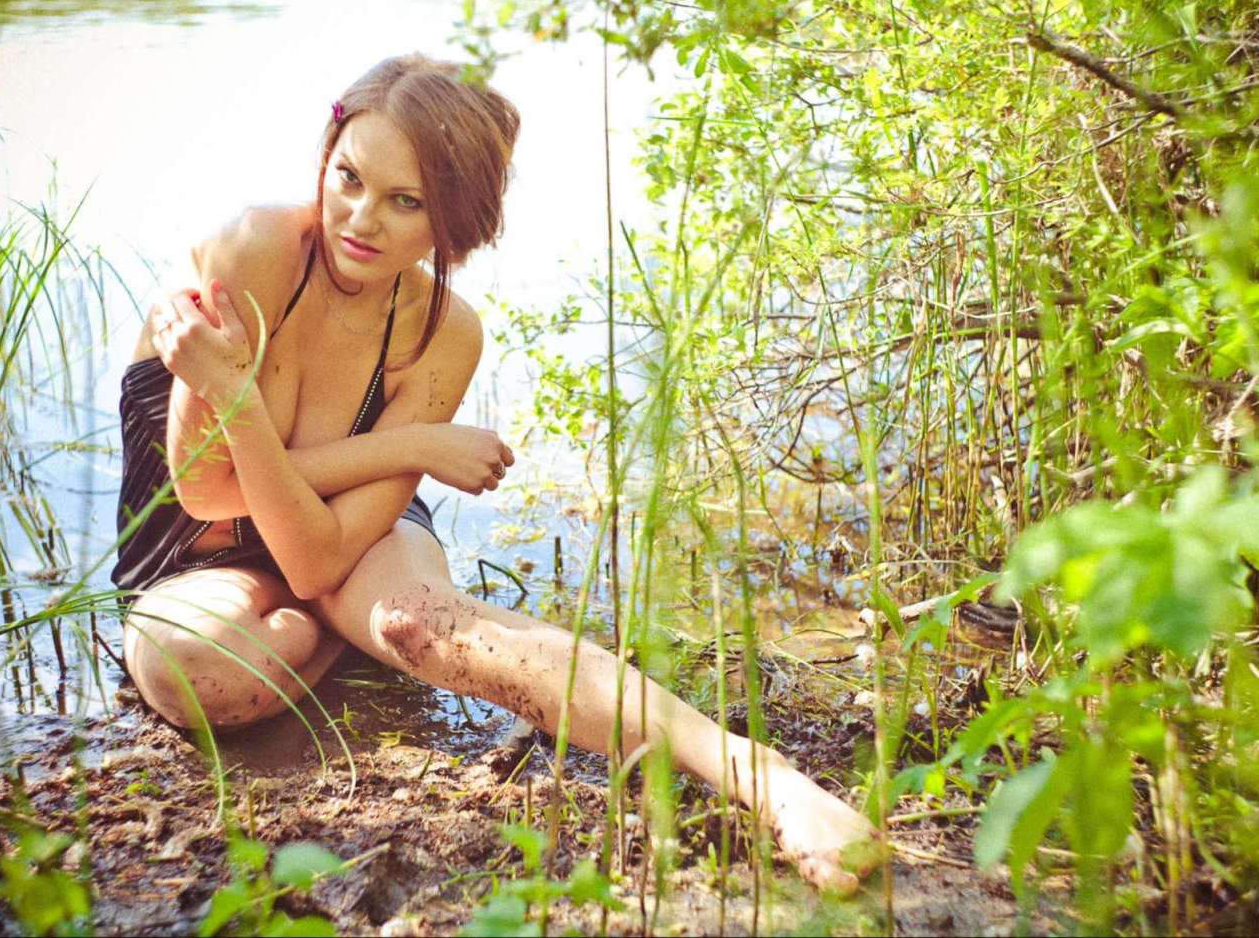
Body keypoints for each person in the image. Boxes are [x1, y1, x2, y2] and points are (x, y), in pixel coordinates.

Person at [112, 54, 880, 893]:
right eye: (349, 178)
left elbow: (316, 557)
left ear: (452, 220)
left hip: (341, 538)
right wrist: (410, 445)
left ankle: (759, 775)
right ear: (325, 157)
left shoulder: (445, 330)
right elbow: (204, 489)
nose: (360, 218)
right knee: (197, 671)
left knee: (424, 625)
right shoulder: (253, 249)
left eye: (406, 201)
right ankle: (334, 631)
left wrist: (259, 415)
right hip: (196, 547)